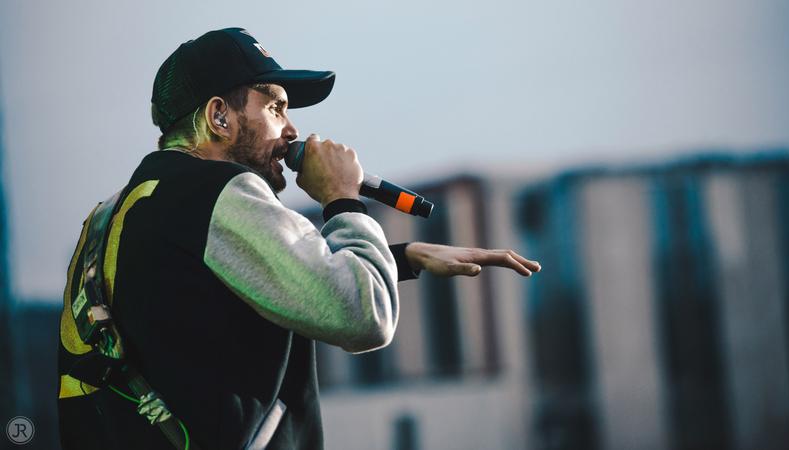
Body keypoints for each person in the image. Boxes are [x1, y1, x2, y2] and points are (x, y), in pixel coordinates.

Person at [57, 27, 540, 450]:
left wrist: (401, 257)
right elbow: (364, 316)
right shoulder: (219, 190)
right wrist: (342, 199)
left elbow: (232, 280)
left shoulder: (116, 212)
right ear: (220, 117)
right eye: (275, 108)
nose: (291, 131)